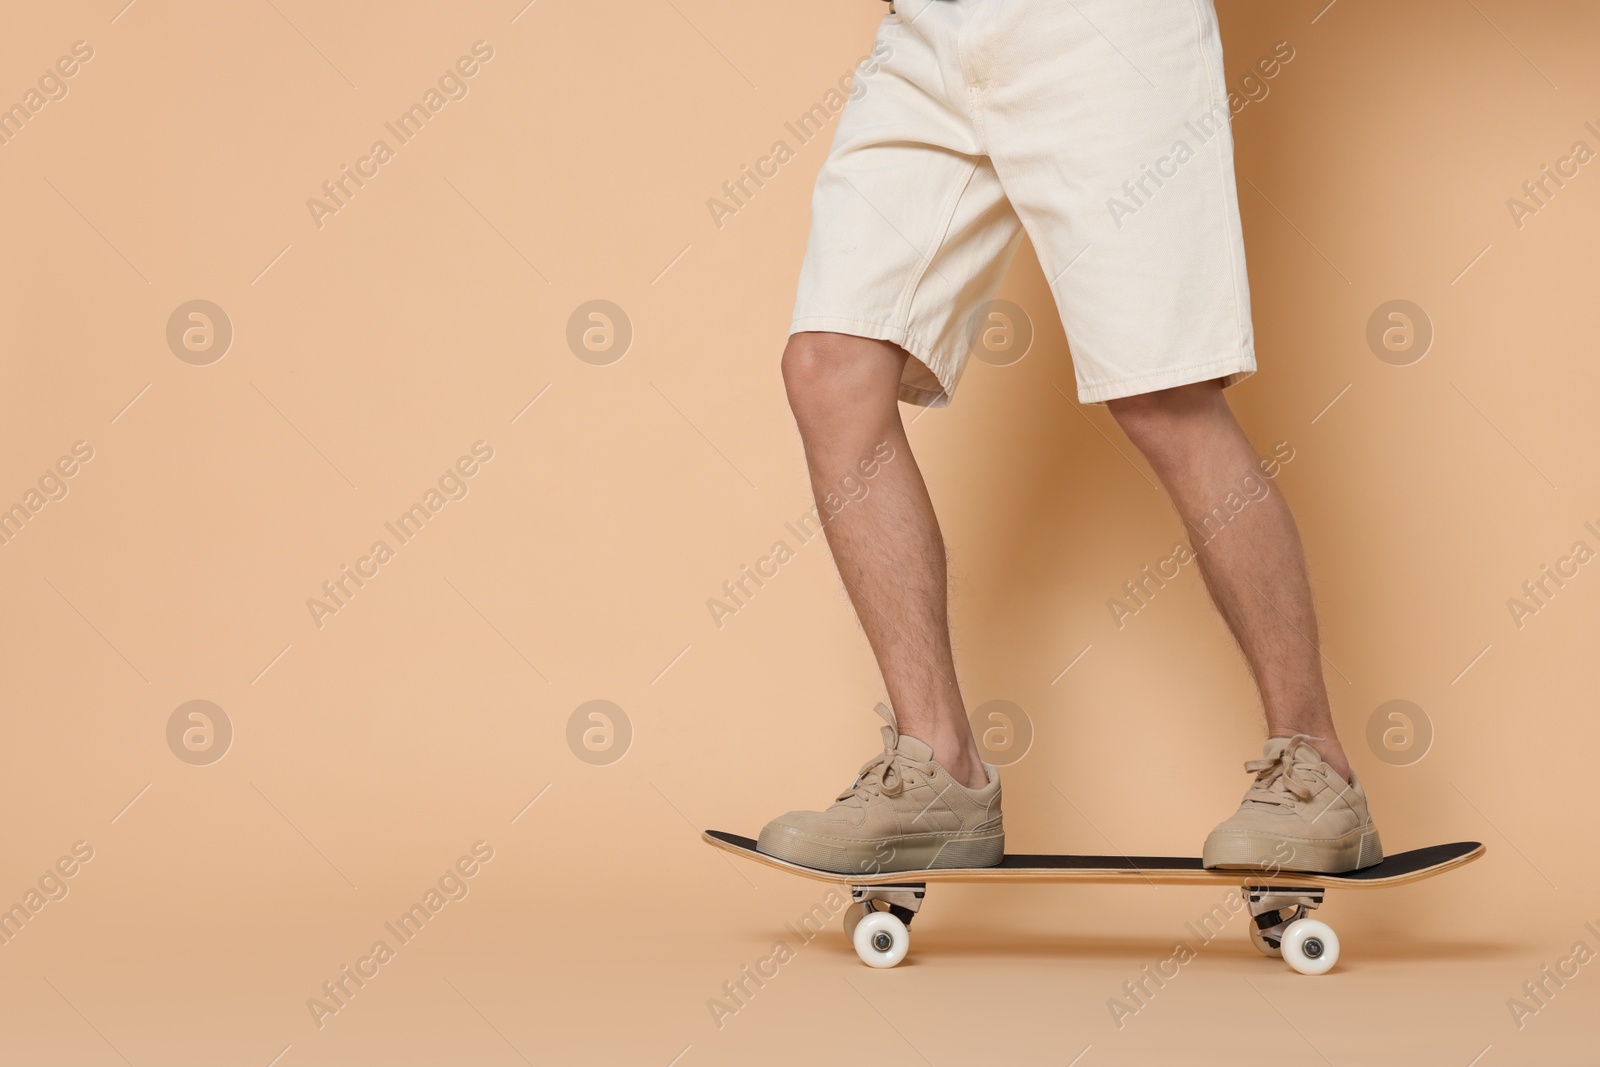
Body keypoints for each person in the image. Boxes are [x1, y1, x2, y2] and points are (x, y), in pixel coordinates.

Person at [756, 0, 1382, 876]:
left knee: (1164, 399)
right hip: (931, 30)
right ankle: (939, 768)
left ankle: (1317, 769)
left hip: (1104, 27)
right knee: (830, 368)